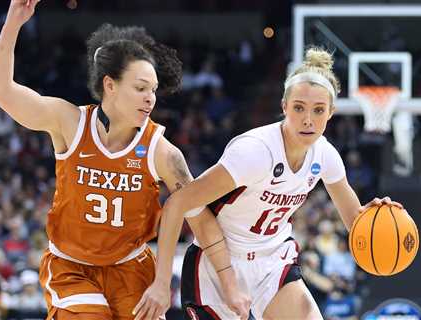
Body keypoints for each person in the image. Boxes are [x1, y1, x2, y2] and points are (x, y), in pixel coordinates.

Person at [0, 1, 251, 319]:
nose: (150, 98)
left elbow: (201, 221)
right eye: (140, 88)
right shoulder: (68, 122)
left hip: (131, 269)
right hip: (72, 267)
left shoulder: (162, 152)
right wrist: (13, 22)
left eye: (153, 90)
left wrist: (230, 284)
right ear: (110, 85)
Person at [135, 47, 403, 319]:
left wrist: (375, 217)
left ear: (331, 112)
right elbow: (177, 203)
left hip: (273, 261)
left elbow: (356, 226)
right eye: (299, 107)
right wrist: (161, 283)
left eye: (318, 110)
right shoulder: (255, 152)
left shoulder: (325, 154)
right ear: (284, 106)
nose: (308, 119)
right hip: (219, 262)